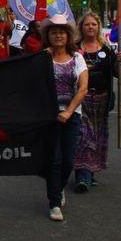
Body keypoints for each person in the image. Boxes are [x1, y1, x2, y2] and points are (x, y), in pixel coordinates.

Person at [42, 14, 88, 222]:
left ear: (68, 36)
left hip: (71, 115)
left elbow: (83, 88)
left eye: (62, 32)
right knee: (54, 160)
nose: (58, 35)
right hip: (49, 117)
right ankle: (53, 203)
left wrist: (69, 111)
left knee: (68, 161)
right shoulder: (42, 58)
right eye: (54, 32)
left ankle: (59, 188)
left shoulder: (77, 58)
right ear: (48, 35)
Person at [73, 12, 121, 193]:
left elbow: (116, 73)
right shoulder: (75, 48)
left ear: (98, 27)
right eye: (87, 24)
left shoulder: (107, 49)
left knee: (97, 135)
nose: (90, 27)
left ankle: (91, 169)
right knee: (83, 134)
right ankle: (82, 173)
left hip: (101, 98)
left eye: (94, 24)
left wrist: (119, 62)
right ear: (81, 27)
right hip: (81, 98)